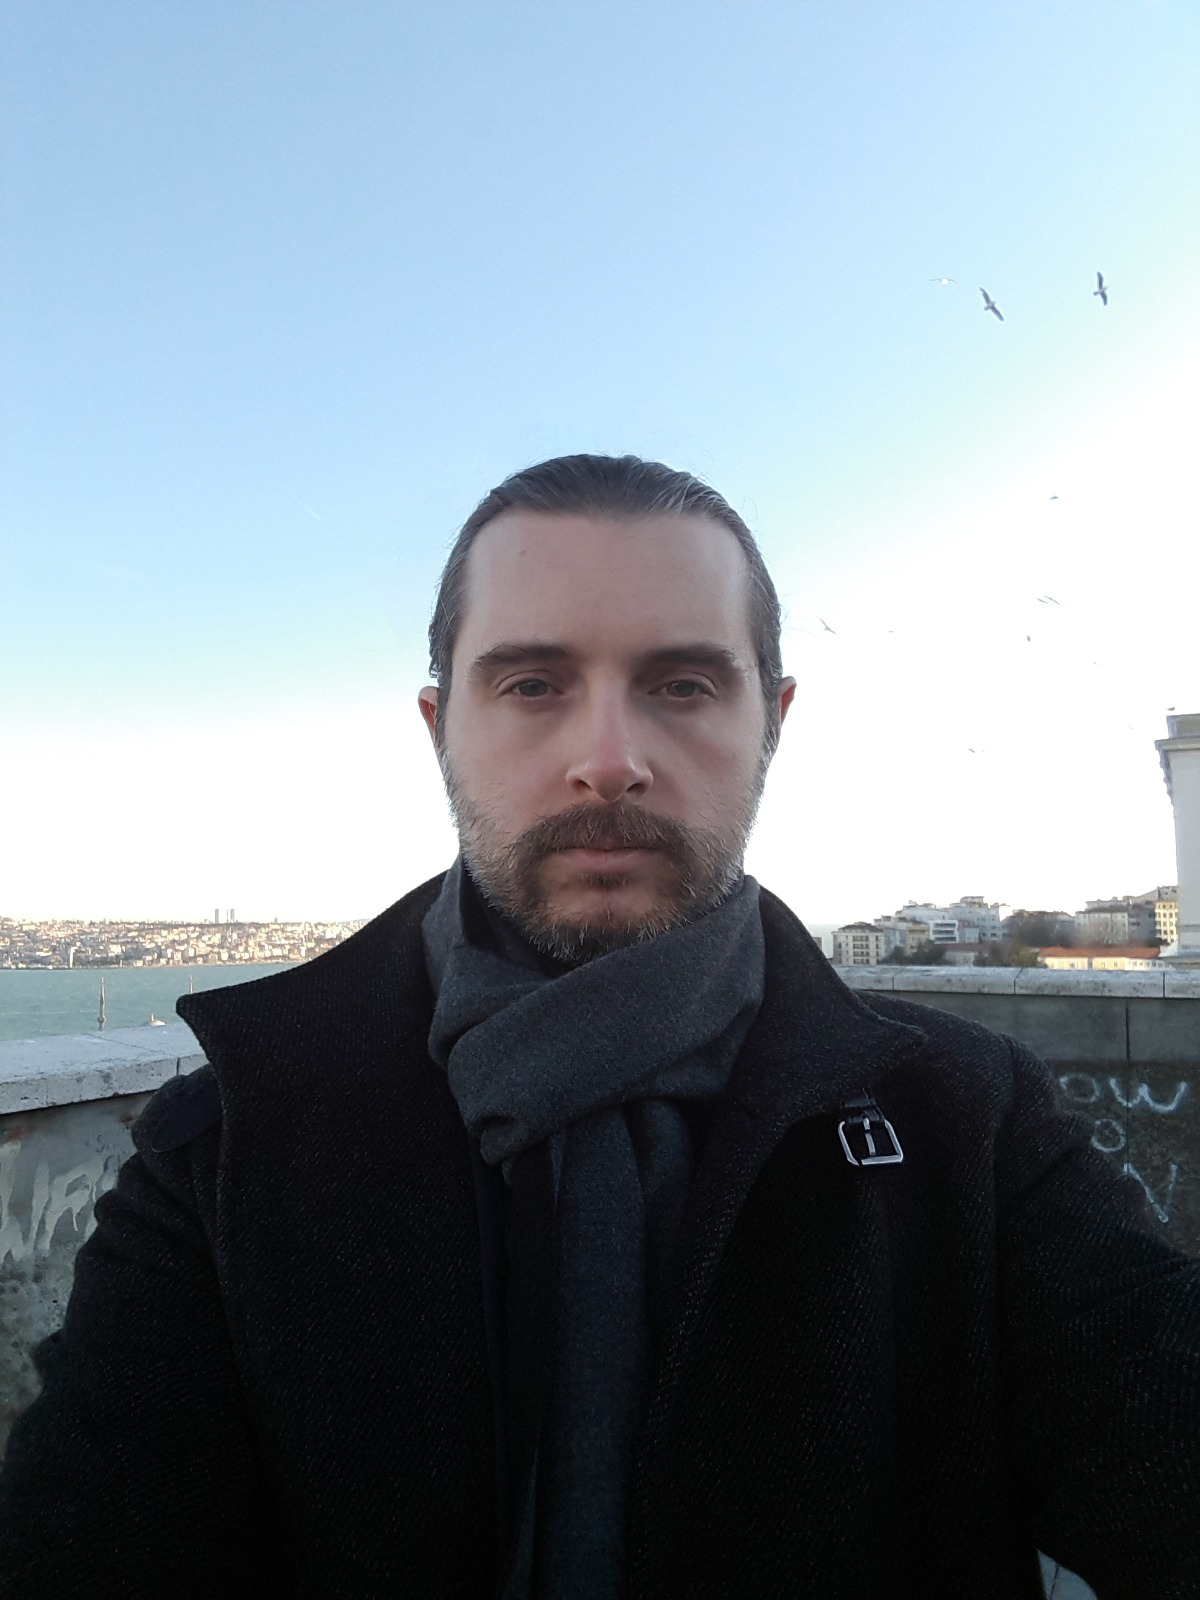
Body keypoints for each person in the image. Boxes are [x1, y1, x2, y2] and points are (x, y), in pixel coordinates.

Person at [1, 454, 1197, 1599]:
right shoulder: (229, 1149)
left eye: (683, 684)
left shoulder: (969, 1124)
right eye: (532, 685)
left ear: (773, 720)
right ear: (439, 727)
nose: (610, 762)